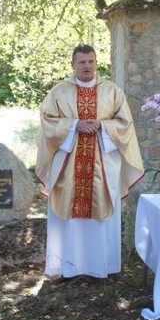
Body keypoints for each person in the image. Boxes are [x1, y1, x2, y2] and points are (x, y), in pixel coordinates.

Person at [35, 44, 144, 279]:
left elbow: (125, 124)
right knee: (68, 214)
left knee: (100, 210)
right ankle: (67, 267)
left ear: (96, 63)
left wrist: (102, 125)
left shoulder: (112, 91)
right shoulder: (59, 91)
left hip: (102, 164)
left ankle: (100, 266)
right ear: (72, 64)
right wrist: (75, 125)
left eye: (91, 61)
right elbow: (47, 120)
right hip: (68, 164)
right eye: (82, 62)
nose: (87, 66)